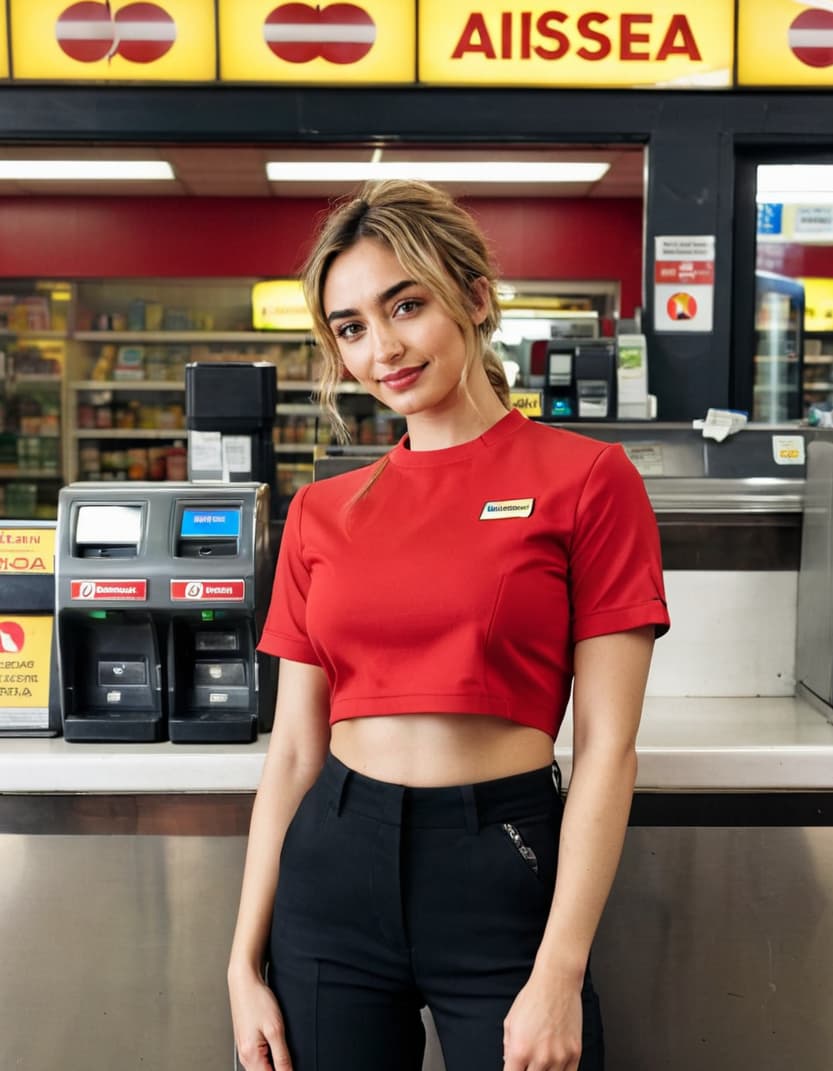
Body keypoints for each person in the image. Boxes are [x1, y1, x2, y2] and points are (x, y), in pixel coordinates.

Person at [227, 179, 670, 1071]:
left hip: (500, 866)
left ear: (472, 298)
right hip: (334, 870)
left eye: (406, 304)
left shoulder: (588, 480)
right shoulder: (320, 511)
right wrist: (241, 961)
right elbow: (291, 754)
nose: (381, 348)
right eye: (350, 327)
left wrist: (558, 970)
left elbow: (608, 750)